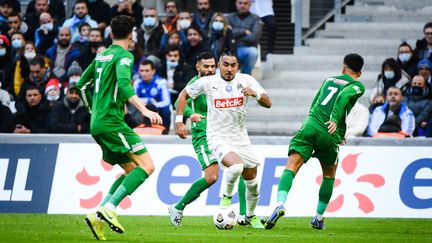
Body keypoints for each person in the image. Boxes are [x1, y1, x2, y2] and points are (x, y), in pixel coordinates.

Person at [77, 15, 162, 241]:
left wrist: (93, 110)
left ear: (110, 34)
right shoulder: (125, 56)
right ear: (131, 34)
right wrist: (144, 111)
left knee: (131, 170)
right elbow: (124, 85)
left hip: (98, 123)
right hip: (112, 122)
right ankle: (110, 208)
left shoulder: (101, 56)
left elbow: (81, 85)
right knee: (147, 166)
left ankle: (98, 214)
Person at [264, 54, 365, 230]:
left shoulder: (329, 80)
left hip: (310, 125)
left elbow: (315, 102)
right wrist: (334, 121)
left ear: (343, 67)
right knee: (329, 175)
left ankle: (280, 204)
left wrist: (310, 123)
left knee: (291, 166)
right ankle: (318, 218)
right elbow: (342, 97)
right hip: (329, 132)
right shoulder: (357, 85)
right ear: (360, 72)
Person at [175, 49, 272, 229]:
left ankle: (250, 216)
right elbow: (182, 96)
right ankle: (225, 200)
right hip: (217, 137)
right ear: (220, 65)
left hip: (241, 138)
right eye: (225, 65)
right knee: (235, 166)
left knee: (253, 183)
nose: (229, 69)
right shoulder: (207, 82)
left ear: (238, 66)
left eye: (233, 65)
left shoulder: (247, 81)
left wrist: (256, 95)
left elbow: (268, 103)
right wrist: (179, 121)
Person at [133, 60, 171, 134]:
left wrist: (151, 105)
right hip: (142, 109)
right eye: (141, 70)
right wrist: (149, 100)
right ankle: (135, 131)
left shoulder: (161, 82)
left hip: (158, 110)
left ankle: (166, 133)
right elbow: (133, 99)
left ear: (153, 71)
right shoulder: (137, 83)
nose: (144, 73)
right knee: (133, 108)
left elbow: (166, 102)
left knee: (166, 110)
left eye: (147, 70)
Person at [227, 0, 262, 75]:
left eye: (245, 3)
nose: (243, 5)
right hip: (230, 49)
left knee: (253, 52)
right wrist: (244, 31)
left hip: (246, 48)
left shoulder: (256, 18)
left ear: (250, 5)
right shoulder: (229, 17)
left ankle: (246, 76)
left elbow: (254, 37)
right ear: (236, 4)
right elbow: (226, 34)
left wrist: (234, 36)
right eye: (240, 3)